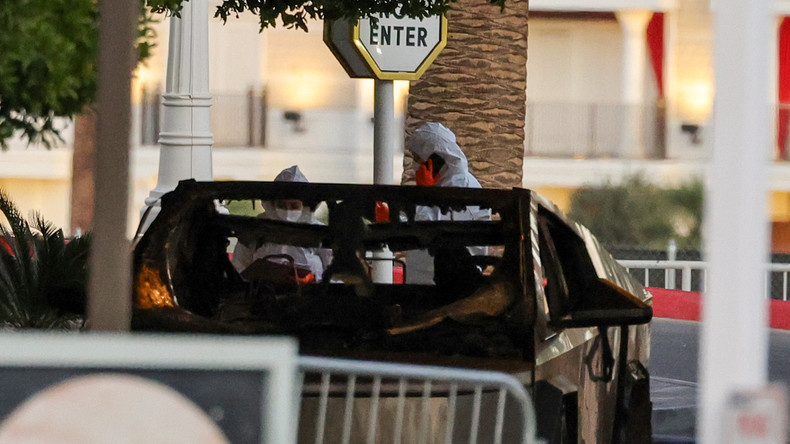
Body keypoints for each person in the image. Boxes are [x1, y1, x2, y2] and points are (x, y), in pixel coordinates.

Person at [404, 122, 491, 285]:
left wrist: (425, 193)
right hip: (423, 281)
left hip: (450, 284)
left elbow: (431, 230)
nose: (415, 165)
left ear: (435, 159)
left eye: (418, 159)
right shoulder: (440, 184)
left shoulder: (462, 187)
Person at [231, 165, 331, 282]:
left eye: (294, 205)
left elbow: (334, 274)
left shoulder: (318, 232)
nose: (287, 210)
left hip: (309, 292)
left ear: (304, 205)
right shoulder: (255, 230)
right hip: (263, 291)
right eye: (282, 205)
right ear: (272, 204)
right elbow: (239, 267)